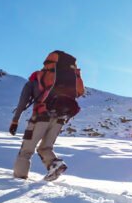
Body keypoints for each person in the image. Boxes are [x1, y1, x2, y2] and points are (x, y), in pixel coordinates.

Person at [10, 50, 84, 181]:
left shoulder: (35, 79)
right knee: (45, 148)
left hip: (40, 117)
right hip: (60, 118)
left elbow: (22, 102)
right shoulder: (68, 79)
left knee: (26, 151)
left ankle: (18, 181)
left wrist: (15, 121)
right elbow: (79, 93)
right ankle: (55, 164)